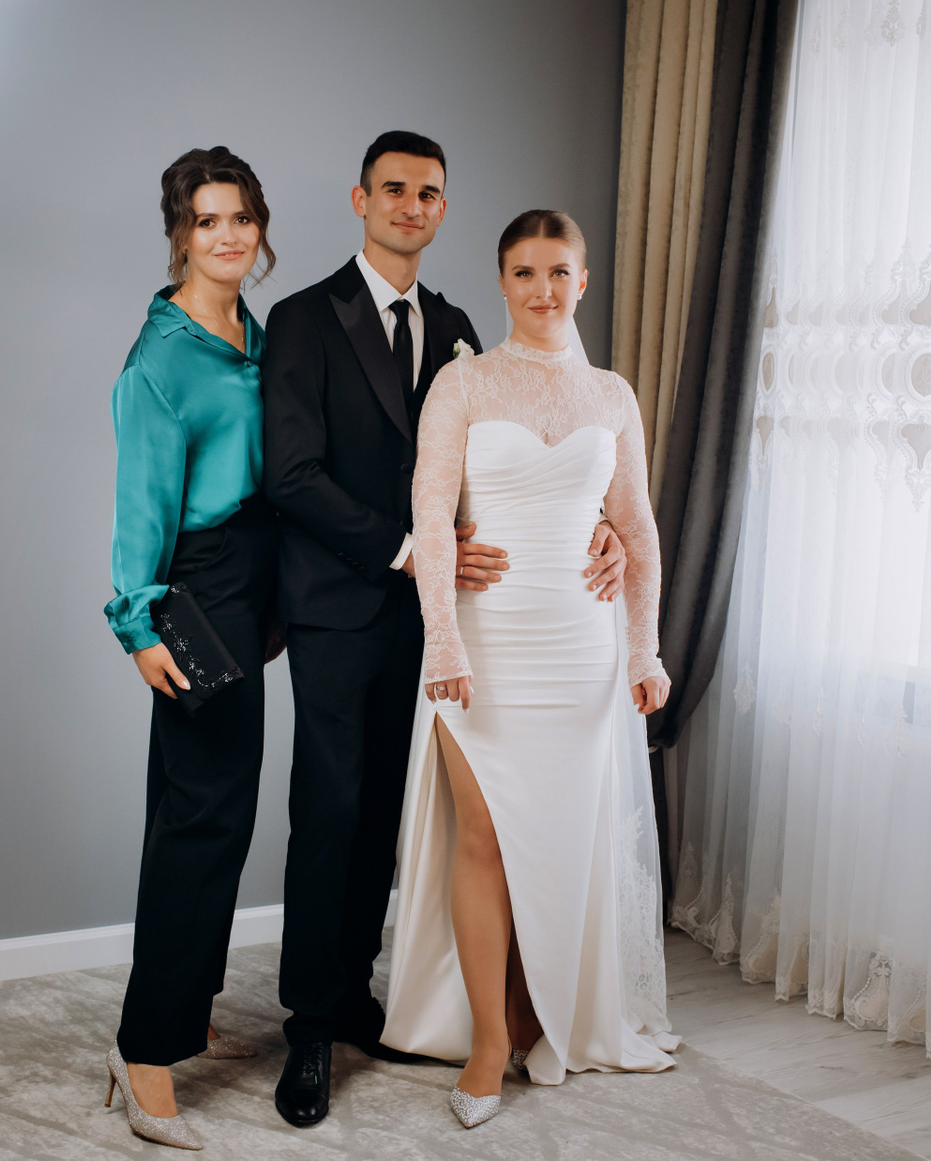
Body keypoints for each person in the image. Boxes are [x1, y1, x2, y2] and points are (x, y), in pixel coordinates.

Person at [262, 133, 630, 1127]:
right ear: (361, 200)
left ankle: (357, 992)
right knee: (330, 811)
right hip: (343, 605)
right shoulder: (303, 319)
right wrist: (408, 551)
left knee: (396, 815)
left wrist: (593, 521)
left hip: (450, 620)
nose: (411, 206)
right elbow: (291, 473)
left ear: (441, 208)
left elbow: (501, 468)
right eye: (394, 190)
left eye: (428, 193)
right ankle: (309, 1025)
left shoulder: (461, 327)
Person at [381, 210, 678, 1129]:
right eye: (524, 272)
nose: (542, 290)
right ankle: (485, 1043)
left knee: (560, 838)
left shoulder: (613, 396)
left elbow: (636, 527)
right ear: (503, 281)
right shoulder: (462, 383)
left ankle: (538, 1011)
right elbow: (432, 519)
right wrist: (444, 641)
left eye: (558, 272)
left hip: (582, 647)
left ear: (582, 281)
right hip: (488, 640)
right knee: (482, 838)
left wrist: (644, 648)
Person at [101, 147, 278, 1151]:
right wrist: (139, 624)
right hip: (196, 588)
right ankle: (145, 1049)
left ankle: (185, 1001)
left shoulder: (249, 330)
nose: (227, 236)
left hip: (254, 578)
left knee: (210, 806)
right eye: (208, 220)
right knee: (201, 819)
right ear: (180, 233)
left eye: (241, 217)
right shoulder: (160, 360)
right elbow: (141, 502)